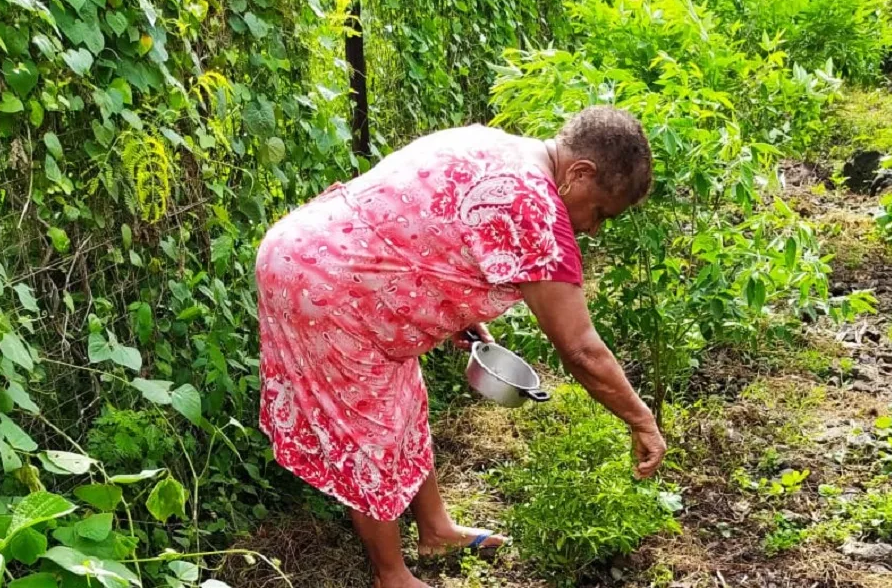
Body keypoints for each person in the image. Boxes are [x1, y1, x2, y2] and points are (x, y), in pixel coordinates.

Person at [255, 105, 667, 588]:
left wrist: (464, 318)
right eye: (599, 212)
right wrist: (641, 420)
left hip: (318, 252)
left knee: (405, 400)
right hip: (325, 285)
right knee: (371, 429)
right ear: (580, 173)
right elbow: (580, 349)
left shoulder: (492, 143)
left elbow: (425, 227)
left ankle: (435, 530)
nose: (593, 229)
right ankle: (392, 576)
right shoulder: (534, 207)